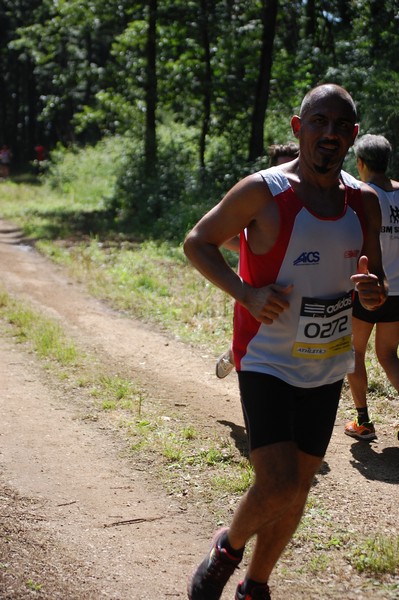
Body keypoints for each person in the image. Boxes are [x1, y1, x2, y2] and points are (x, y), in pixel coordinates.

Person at [183, 83, 386, 600]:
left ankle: (257, 585)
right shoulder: (263, 191)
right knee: (276, 482)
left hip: (326, 363)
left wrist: (373, 293)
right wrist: (246, 294)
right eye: (320, 122)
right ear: (299, 129)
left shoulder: (364, 203)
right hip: (266, 358)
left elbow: (374, 286)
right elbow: (198, 242)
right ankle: (226, 549)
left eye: (342, 126)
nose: (330, 133)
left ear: (353, 138)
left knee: (297, 488)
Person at [216, 142, 300, 379]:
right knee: (260, 345)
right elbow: (219, 237)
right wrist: (255, 251)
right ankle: (236, 354)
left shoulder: (316, 201)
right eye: (281, 167)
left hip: (301, 293)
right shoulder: (257, 197)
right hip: (259, 291)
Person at [344, 134, 399, 441]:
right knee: (389, 355)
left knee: (355, 352)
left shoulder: (362, 196)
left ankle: (363, 422)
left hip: (366, 288)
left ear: (360, 163)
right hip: (398, 291)